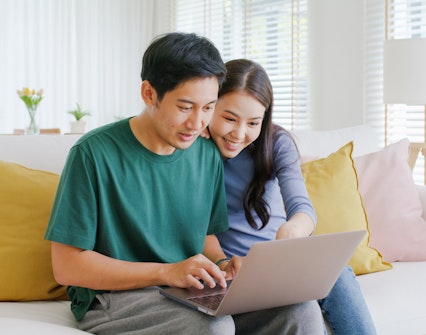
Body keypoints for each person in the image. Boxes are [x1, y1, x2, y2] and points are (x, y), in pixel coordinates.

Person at [45, 33, 324, 335]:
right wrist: (167, 271)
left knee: (301, 309)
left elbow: (205, 235)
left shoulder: (206, 153)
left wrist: (223, 262)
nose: (197, 123)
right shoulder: (92, 154)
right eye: (185, 107)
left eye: (208, 108)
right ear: (149, 93)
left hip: (188, 289)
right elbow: (67, 266)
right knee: (211, 326)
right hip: (115, 297)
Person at [206, 59, 377, 335]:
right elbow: (197, 228)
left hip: (278, 265)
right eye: (229, 118)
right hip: (233, 272)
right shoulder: (196, 151)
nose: (238, 134)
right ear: (210, 106)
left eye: (253, 123)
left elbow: (301, 207)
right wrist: (223, 262)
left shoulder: (277, 143)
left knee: (338, 274)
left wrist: (293, 230)